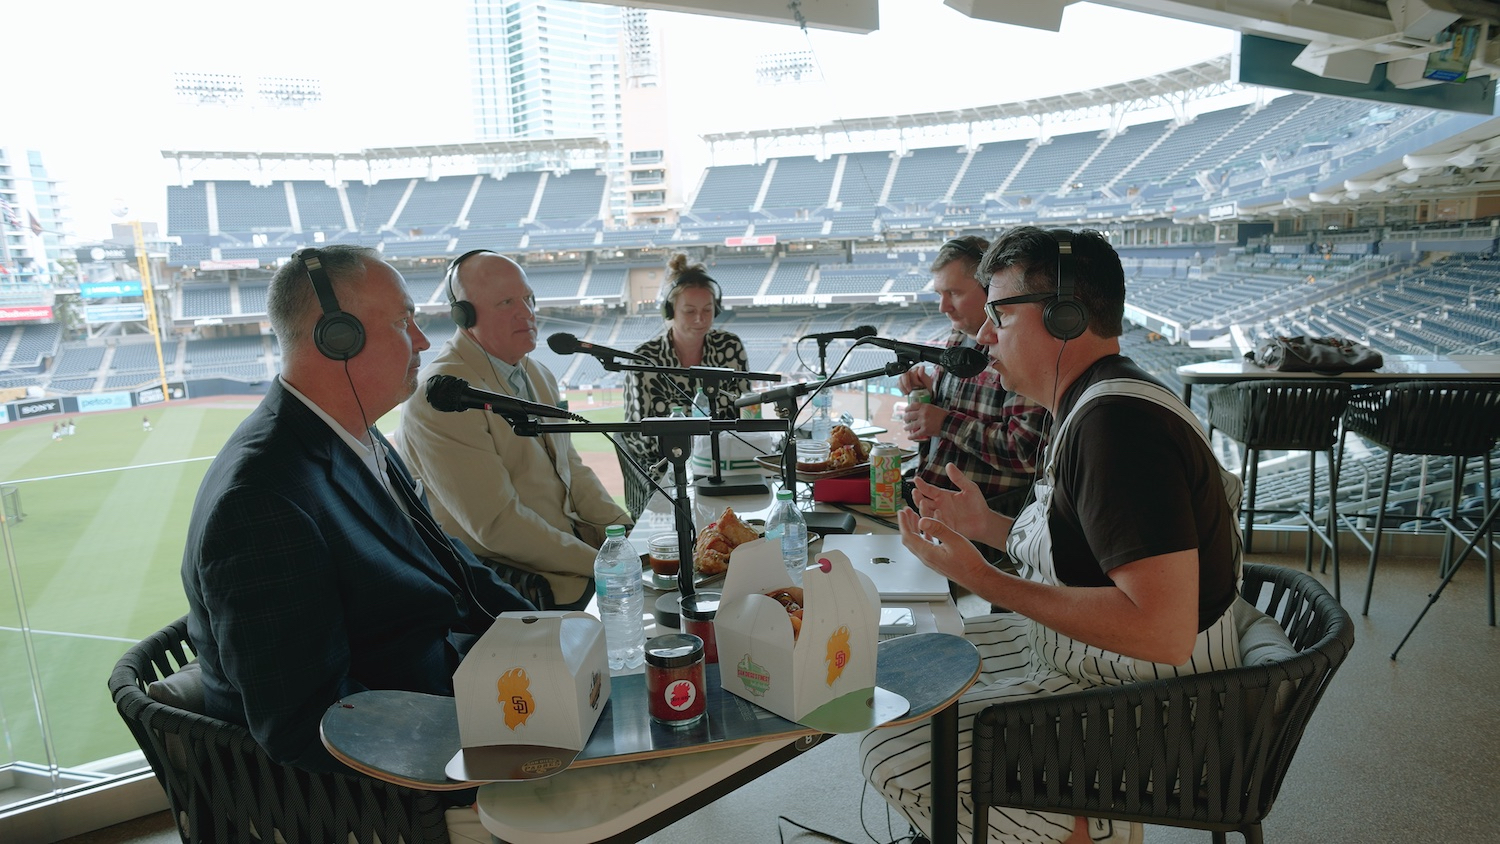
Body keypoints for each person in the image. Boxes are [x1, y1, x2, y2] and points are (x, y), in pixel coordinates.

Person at [861, 227, 1242, 844]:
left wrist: (984, 579)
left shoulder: (1117, 428)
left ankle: (1086, 829)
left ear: (1064, 319)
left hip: (1140, 703)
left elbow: (1163, 631)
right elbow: (1090, 552)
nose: (983, 337)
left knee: (889, 748)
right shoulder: (1094, 402)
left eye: (999, 315)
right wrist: (986, 526)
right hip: (1086, 662)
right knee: (903, 675)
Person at [181, 245, 531, 841]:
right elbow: (304, 723)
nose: (422, 342)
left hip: (458, 696)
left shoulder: (356, 435)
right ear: (335, 337)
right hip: (392, 782)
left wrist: (548, 634)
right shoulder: (261, 500)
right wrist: (477, 745)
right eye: (403, 322)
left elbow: (454, 569)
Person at [394, 250, 631, 611]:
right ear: (464, 316)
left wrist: (625, 535)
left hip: (578, 568)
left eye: (528, 298)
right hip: (526, 594)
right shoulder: (444, 397)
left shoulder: (537, 373)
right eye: (506, 302)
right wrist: (604, 565)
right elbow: (499, 524)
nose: (527, 313)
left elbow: (572, 469)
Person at [900, 235, 1047, 520]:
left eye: (953, 293)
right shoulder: (958, 336)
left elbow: (1026, 449)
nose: (943, 307)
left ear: (990, 289)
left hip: (989, 530)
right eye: (940, 294)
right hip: (939, 512)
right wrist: (929, 397)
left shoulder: (1018, 348)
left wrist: (943, 421)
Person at [619, 253, 749, 474]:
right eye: (689, 311)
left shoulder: (731, 347)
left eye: (707, 310)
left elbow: (745, 415)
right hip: (668, 471)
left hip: (727, 465)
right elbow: (637, 437)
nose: (700, 319)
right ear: (671, 312)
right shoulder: (644, 360)